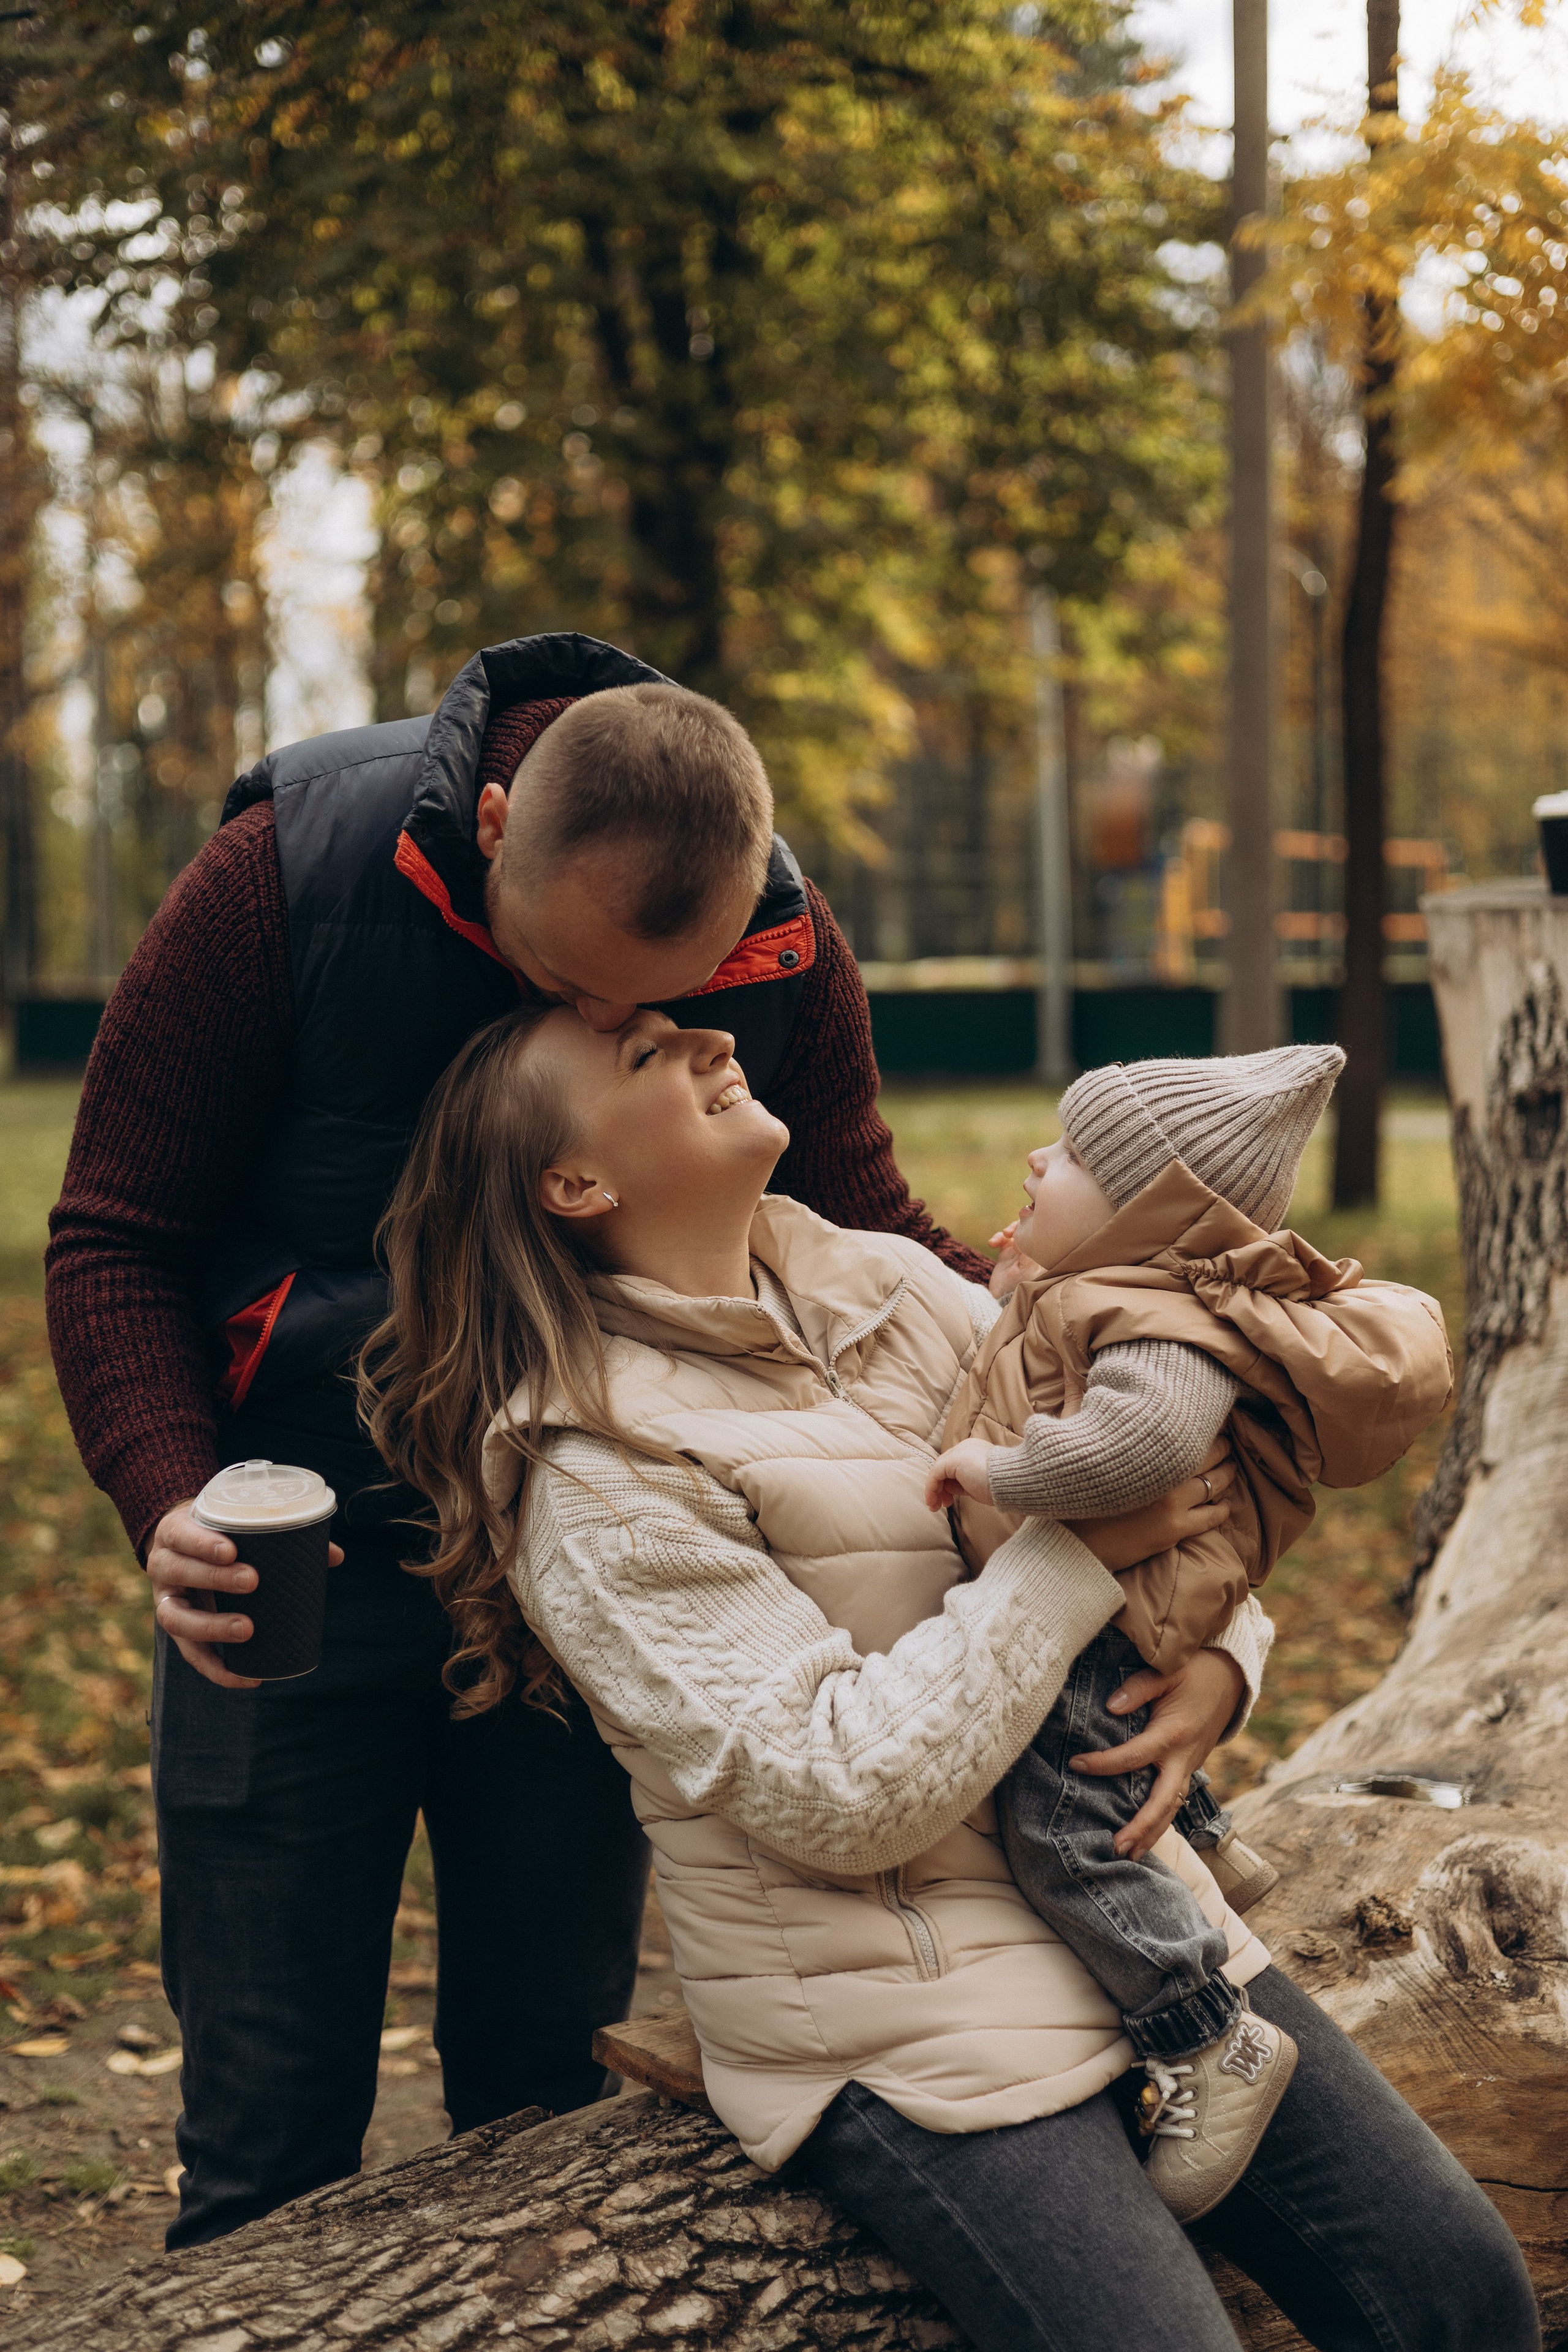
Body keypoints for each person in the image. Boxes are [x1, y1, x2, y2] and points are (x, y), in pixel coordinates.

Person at [358, 999, 1536, 2352]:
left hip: (1137, 1930)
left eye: (686, 1029)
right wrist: (1065, 1558)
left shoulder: (893, 1286)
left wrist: (1222, 1658)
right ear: (576, 1183)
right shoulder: (592, 1464)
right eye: (644, 1056)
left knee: (1457, 2289)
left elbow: (1177, 1474)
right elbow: (836, 1791)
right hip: (891, 2004)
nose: (703, 1040)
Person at [43, 635, 995, 2248]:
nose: (603, 1024)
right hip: (297, 1561)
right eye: (569, 985)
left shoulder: (780, 943)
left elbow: (861, 1220)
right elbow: (113, 1236)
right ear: (491, 822)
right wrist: (168, 1492)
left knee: (544, 2120)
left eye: (654, 1003)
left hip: (595, 1576)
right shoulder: (278, 881)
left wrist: (1092, 1337)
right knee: (265, 2144)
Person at [924, 1046, 1453, 2220]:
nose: (1033, 1158)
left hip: (1112, 1619)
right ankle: (1208, 1835)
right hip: (1120, 1610)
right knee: (1101, 1776)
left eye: (1067, 1158)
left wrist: (999, 1469)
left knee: (1065, 1835)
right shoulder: (1107, 1287)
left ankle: (1207, 2032)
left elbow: (1143, 1451)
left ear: (1149, 1211)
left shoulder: (1156, 1323)